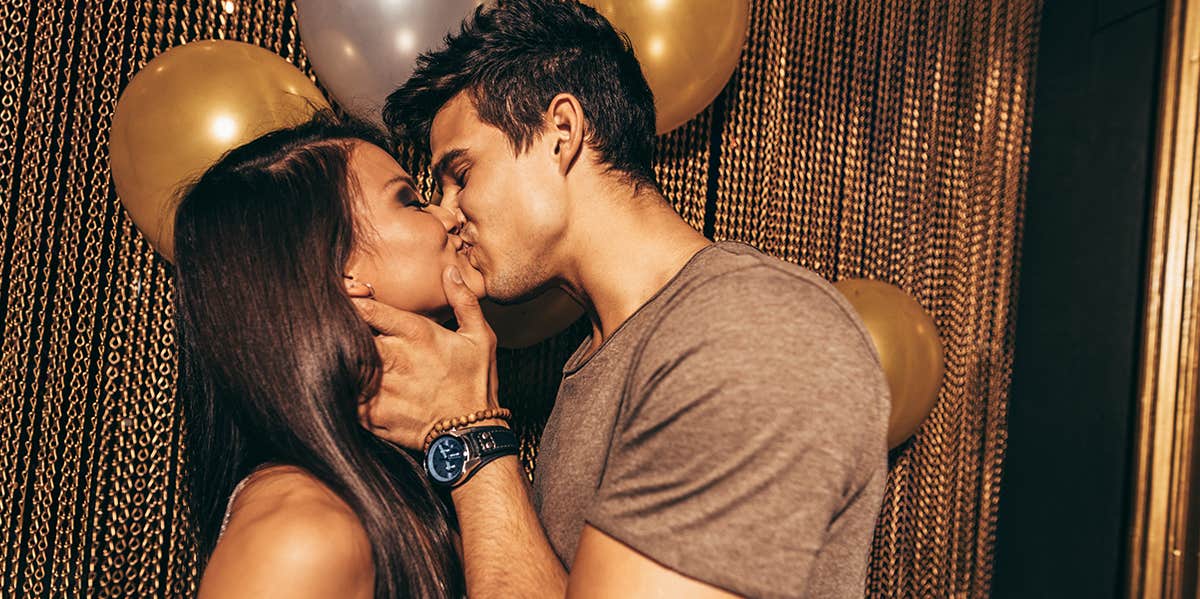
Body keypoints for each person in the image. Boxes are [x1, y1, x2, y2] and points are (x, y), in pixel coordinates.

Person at [353, 1, 892, 597]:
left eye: (461, 174)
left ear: (562, 132)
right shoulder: (599, 355)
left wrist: (473, 437)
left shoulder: (751, 330)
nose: (446, 213)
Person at [173, 112, 490, 598]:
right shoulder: (301, 534)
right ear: (337, 272)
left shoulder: (391, 484)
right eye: (410, 201)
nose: (449, 215)